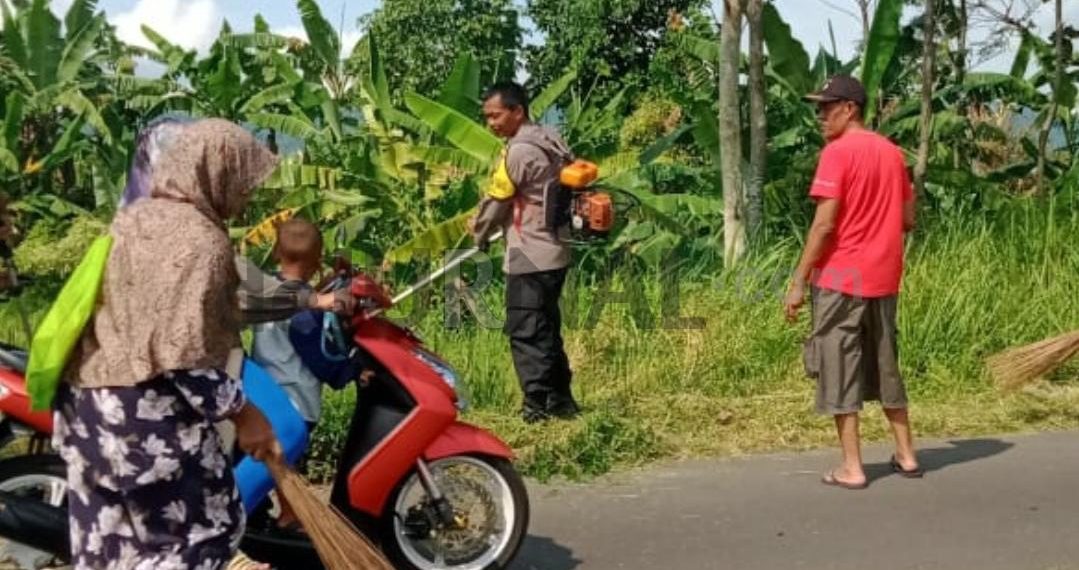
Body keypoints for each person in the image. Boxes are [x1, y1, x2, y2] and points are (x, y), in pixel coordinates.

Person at [54, 119, 284, 568]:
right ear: (216, 171)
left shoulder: (132, 219)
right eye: (244, 179)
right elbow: (186, 355)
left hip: (88, 413)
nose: (249, 194)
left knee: (111, 547)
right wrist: (245, 413)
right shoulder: (200, 239)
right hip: (147, 420)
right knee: (207, 533)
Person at [783, 75, 921, 490]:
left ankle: (851, 467)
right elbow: (909, 219)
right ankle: (908, 455)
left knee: (839, 366)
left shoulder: (837, 154)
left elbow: (824, 225)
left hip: (841, 278)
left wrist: (798, 281)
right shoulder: (894, 154)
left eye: (826, 107)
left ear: (850, 109)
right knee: (885, 364)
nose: (819, 116)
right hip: (884, 277)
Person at [471, 82, 578, 424]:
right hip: (557, 250)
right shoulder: (551, 137)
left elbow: (498, 200)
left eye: (496, 115)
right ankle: (562, 401)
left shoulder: (517, 152)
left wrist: (480, 233)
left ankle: (536, 406)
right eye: (486, 117)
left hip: (528, 253)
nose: (491, 123)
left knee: (525, 329)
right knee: (546, 325)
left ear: (517, 111)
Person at [249, 218, 326, 531]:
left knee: (276, 462)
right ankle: (290, 514)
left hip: (262, 397)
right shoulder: (307, 309)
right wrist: (350, 372)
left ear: (277, 251)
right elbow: (318, 356)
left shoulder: (265, 292)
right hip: (296, 401)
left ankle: (275, 510)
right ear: (318, 261)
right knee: (283, 463)